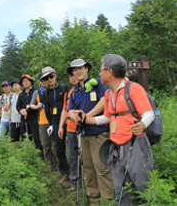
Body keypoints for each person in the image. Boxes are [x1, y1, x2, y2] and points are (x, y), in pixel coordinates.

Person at [80, 54, 154, 205]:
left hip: (135, 145)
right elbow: (108, 117)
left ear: (110, 72)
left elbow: (149, 113)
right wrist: (87, 119)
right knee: (121, 190)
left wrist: (143, 124)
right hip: (116, 148)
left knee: (143, 188)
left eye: (101, 70)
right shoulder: (109, 94)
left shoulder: (133, 89)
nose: (99, 74)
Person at [67, 59, 114, 205]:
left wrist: (88, 116)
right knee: (88, 170)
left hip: (99, 133)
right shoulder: (75, 92)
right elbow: (70, 111)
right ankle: (94, 201)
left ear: (86, 68)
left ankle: (108, 201)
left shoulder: (98, 83)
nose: (78, 72)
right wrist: (76, 117)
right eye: (75, 70)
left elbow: (104, 101)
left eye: (80, 68)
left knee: (102, 169)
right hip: (84, 135)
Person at [39, 66, 70, 182]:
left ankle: (78, 171)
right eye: (47, 78)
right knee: (59, 147)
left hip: (69, 120)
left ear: (55, 75)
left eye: (51, 76)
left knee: (73, 147)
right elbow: (47, 110)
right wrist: (51, 124)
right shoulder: (45, 93)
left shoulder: (65, 88)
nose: (49, 79)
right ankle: (64, 172)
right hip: (56, 122)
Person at [58, 73, 79, 191]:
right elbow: (64, 110)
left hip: (84, 128)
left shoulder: (87, 89)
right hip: (70, 128)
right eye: (71, 76)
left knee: (85, 156)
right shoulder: (68, 93)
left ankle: (88, 181)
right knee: (72, 155)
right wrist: (61, 126)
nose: (73, 78)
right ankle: (74, 181)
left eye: (75, 75)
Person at [30, 72, 56, 166]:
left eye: (45, 79)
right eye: (42, 80)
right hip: (42, 121)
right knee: (46, 144)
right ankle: (49, 164)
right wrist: (37, 106)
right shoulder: (37, 92)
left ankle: (58, 164)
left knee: (56, 144)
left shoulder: (53, 90)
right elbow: (31, 105)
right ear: (39, 81)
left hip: (54, 121)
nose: (44, 82)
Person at [16, 74, 44, 158]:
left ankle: (40, 157)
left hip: (35, 118)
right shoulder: (21, 94)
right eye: (24, 81)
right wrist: (21, 111)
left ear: (31, 82)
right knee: (25, 138)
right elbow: (18, 106)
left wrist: (28, 110)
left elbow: (38, 104)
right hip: (24, 119)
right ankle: (28, 156)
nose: (26, 83)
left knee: (37, 138)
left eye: (27, 81)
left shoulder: (37, 91)